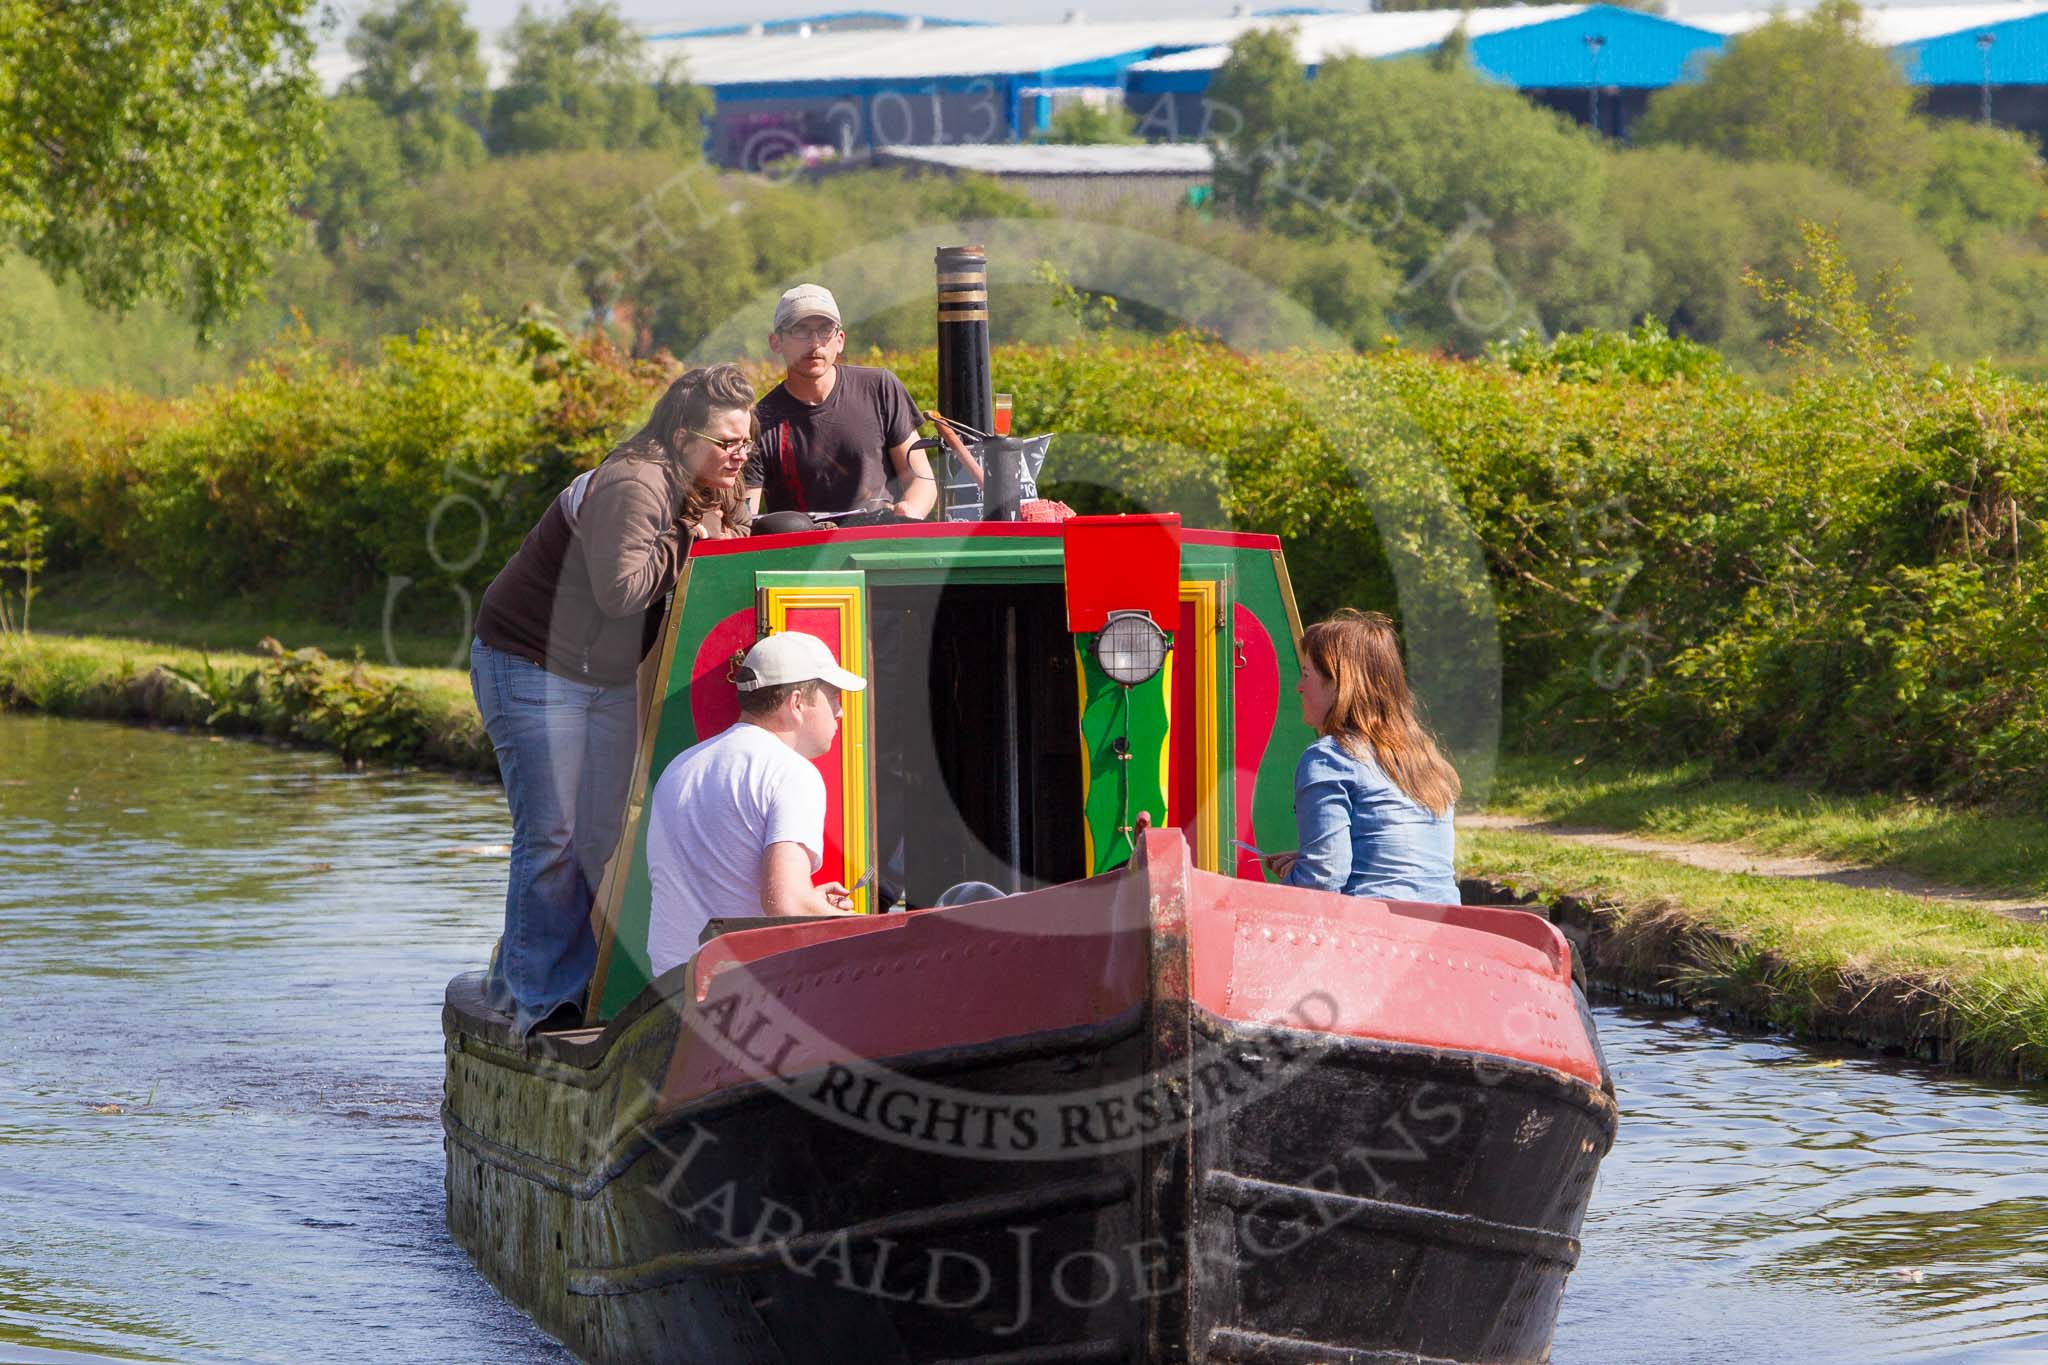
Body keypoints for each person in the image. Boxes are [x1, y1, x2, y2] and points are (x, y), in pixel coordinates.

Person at [470, 364, 757, 1036]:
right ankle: (541, 1004)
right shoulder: (635, 482)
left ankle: (531, 978)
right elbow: (621, 591)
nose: (739, 456)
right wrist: (693, 539)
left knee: (602, 836)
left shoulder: (711, 479)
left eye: (747, 442)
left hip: (597, 673)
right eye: (726, 443)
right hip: (531, 662)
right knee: (553, 834)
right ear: (684, 436)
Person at [644, 632, 866, 977]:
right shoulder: (791, 772)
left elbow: (719, 883)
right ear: (796, 703)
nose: (840, 712)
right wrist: (870, 928)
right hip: (742, 991)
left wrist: (813, 902)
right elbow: (785, 903)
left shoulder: (680, 767)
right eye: (833, 697)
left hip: (669, 987)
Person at [1263, 609, 1462, 904]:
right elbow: (1406, 869)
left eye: (1306, 675)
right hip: (1445, 927)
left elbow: (1323, 879)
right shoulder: (1424, 757)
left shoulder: (1330, 758)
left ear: (1339, 685)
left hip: (1377, 937)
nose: (1299, 687)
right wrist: (1305, 864)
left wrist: (1294, 880)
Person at [743, 283, 937, 521]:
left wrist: (911, 510)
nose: (815, 343)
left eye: (825, 330)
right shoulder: (758, 421)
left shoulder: (880, 388)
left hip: (877, 544)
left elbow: (920, 478)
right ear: (776, 342)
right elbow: (745, 514)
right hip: (800, 552)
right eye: (800, 330)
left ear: (840, 340)